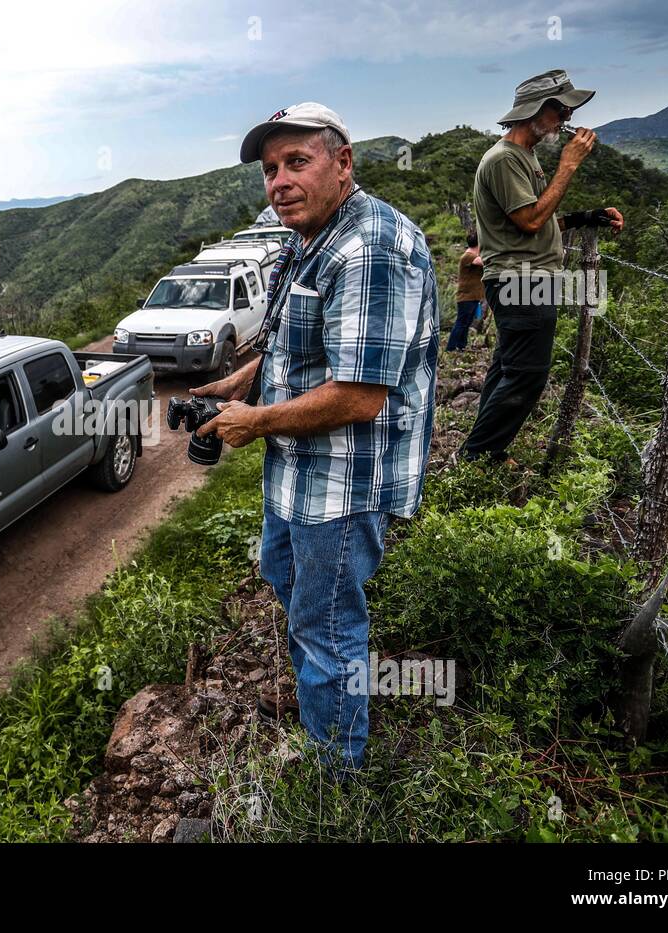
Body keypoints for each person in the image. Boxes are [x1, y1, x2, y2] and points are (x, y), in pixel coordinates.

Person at [191, 102, 439, 773]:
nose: (279, 181)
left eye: (297, 161)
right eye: (271, 169)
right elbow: (306, 342)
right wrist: (243, 380)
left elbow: (359, 395)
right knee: (288, 581)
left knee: (328, 628)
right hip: (297, 474)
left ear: (343, 161)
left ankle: (336, 778)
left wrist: (257, 420)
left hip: (343, 482)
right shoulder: (312, 237)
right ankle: (322, 705)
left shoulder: (371, 248)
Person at [461, 69, 624, 465]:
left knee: (507, 369)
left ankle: (482, 452)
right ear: (535, 109)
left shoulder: (524, 156)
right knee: (527, 375)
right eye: (560, 108)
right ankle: (482, 455)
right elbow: (530, 221)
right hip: (521, 278)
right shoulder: (503, 159)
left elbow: (537, 220)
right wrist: (568, 165)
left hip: (530, 276)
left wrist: (587, 216)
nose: (566, 117)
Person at [446, 232, 484, 351]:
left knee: (466, 323)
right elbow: (482, 262)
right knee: (462, 323)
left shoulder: (472, 255)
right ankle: (451, 347)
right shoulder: (468, 256)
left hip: (472, 296)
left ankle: (461, 346)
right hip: (466, 296)